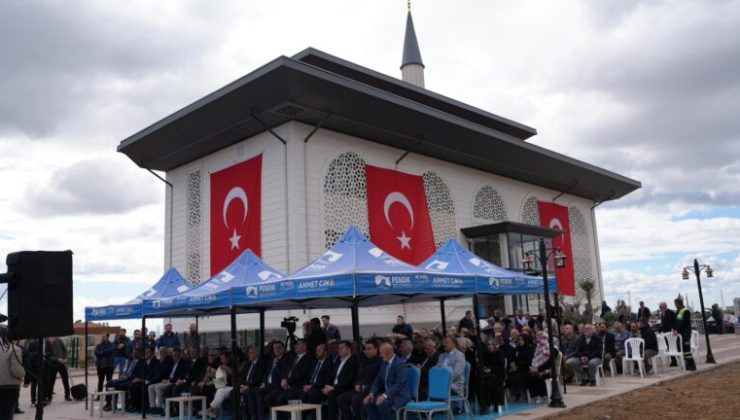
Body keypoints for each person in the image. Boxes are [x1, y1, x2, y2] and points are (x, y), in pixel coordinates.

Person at [363, 342, 411, 420]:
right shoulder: (384, 363)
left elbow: (399, 384)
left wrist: (385, 395)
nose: (380, 355)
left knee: (383, 403)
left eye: (381, 353)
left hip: (399, 395)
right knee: (368, 402)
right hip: (388, 393)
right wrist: (372, 393)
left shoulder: (399, 364)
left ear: (388, 352)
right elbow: (378, 379)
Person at [338, 339, 381, 420]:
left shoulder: (380, 362)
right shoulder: (363, 361)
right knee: (342, 398)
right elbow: (357, 376)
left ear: (376, 349)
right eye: (365, 349)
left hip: (371, 390)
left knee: (356, 400)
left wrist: (366, 387)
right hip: (359, 389)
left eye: (369, 349)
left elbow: (379, 380)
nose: (366, 351)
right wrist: (356, 385)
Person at [249, 341, 289, 419]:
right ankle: (253, 415)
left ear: (283, 349)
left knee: (264, 395)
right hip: (268, 384)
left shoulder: (286, 359)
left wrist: (276, 365)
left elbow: (284, 374)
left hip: (277, 385)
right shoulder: (272, 359)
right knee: (251, 391)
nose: (277, 350)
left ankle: (261, 416)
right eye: (275, 348)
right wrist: (263, 382)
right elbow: (267, 373)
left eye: (279, 348)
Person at [266, 339, 312, 407]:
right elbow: (286, 371)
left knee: (281, 398)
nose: (295, 346)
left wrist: (287, 381)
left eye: (298, 344)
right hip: (287, 385)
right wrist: (284, 379)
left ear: (304, 346)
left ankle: (288, 417)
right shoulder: (294, 358)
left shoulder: (308, 358)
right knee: (270, 397)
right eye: (296, 344)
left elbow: (302, 374)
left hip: (298, 385)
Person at [321, 340, 357, 419]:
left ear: (349, 349)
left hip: (345, 388)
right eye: (339, 348)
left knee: (333, 395)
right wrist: (328, 386)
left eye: (342, 348)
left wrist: (334, 388)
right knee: (318, 392)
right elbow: (333, 376)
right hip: (335, 387)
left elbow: (349, 380)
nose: (339, 350)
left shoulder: (353, 361)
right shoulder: (338, 361)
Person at [148, 348, 189, 415]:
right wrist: (166, 379)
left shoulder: (182, 363)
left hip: (174, 381)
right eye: (173, 355)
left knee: (158, 387)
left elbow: (180, 376)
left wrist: (168, 380)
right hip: (168, 380)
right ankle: (153, 407)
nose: (174, 357)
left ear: (179, 355)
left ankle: (160, 407)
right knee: (150, 387)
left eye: (176, 355)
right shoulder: (172, 363)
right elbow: (169, 373)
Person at [0, 328, 25, 419]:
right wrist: (23, 375)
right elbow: (16, 370)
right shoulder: (15, 349)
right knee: (6, 415)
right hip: (9, 387)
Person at [437, 336, 466, 413]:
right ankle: (433, 408)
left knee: (430, 389)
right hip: (441, 383)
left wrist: (444, 380)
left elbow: (457, 373)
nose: (444, 344)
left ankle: (433, 410)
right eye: (443, 343)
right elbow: (437, 370)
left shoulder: (459, 355)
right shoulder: (441, 355)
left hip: (454, 384)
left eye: (446, 343)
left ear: (453, 344)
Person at [528, 332, 557, 404]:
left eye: (543, 338)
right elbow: (534, 359)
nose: (541, 340)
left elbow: (549, 363)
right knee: (529, 376)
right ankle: (536, 395)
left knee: (538, 377)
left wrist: (538, 369)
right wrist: (532, 367)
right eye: (540, 338)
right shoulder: (537, 348)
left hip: (549, 370)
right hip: (537, 369)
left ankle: (544, 396)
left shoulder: (553, 348)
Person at [240, 346, 267, 420]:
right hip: (246, 386)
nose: (249, 355)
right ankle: (242, 416)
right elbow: (243, 376)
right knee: (234, 392)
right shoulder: (248, 364)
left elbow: (259, 378)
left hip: (256, 386)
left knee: (250, 391)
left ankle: (254, 416)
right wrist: (242, 385)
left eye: (251, 353)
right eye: (249, 353)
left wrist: (248, 386)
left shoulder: (262, 363)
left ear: (257, 353)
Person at [479, 338, 505, 414]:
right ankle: (484, 405)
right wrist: (484, 368)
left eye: (491, 344)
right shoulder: (485, 354)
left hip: (497, 375)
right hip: (487, 375)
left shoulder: (499, 353)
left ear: (494, 345)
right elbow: (482, 364)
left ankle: (491, 404)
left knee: (489, 384)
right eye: (488, 345)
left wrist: (491, 370)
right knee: (480, 384)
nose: (490, 346)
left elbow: (501, 368)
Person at [506, 334, 533, 401]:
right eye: (519, 339)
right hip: (517, 368)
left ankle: (522, 394)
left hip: (526, 368)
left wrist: (518, 367)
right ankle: (515, 394)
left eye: (522, 339)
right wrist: (512, 363)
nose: (520, 341)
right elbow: (512, 358)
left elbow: (529, 361)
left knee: (519, 376)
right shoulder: (517, 349)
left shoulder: (529, 348)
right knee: (510, 376)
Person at [205, 352, 233, 417]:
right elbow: (220, 380)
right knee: (219, 390)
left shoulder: (231, 365)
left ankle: (212, 409)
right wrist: (209, 372)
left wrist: (224, 367)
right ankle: (214, 411)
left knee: (220, 390)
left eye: (223, 359)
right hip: (225, 386)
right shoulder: (221, 367)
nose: (222, 360)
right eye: (221, 359)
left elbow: (233, 373)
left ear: (228, 358)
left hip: (233, 387)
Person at [46, 337, 72, 402]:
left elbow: (65, 350)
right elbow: (48, 356)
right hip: (53, 365)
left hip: (62, 364)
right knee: (51, 381)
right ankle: (49, 397)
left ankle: (67, 395)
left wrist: (65, 358)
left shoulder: (59, 340)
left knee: (65, 379)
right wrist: (57, 359)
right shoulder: (47, 343)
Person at [673, 298, 696, 371]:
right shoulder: (678, 311)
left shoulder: (685, 311)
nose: (675, 305)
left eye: (675, 304)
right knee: (682, 349)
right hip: (680, 333)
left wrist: (678, 330)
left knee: (687, 350)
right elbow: (676, 321)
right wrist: (674, 328)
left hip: (685, 332)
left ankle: (692, 365)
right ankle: (686, 364)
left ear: (678, 303)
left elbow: (685, 323)